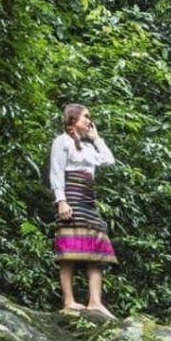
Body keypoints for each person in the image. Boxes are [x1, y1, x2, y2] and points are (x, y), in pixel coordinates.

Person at [49, 104, 117, 316]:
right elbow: (56, 172)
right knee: (68, 252)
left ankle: (95, 302)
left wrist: (96, 138)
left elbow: (109, 160)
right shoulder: (62, 141)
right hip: (72, 199)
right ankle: (69, 301)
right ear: (73, 119)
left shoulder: (88, 147)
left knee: (96, 251)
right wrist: (61, 201)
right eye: (86, 117)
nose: (89, 121)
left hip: (88, 203)